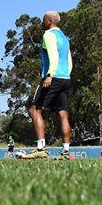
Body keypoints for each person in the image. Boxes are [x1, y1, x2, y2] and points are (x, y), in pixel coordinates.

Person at [23, 11, 73, 160]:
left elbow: (53, 55)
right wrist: (66, 75)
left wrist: (50, 74)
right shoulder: (65, 38)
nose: (42, 21)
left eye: (44, 19)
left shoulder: (48, 35)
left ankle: (41, 149)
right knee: (63, 114)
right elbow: (69, 60)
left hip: (53, 77)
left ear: (50, 20)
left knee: (34, 110)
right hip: (65, 78)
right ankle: (65, 152)